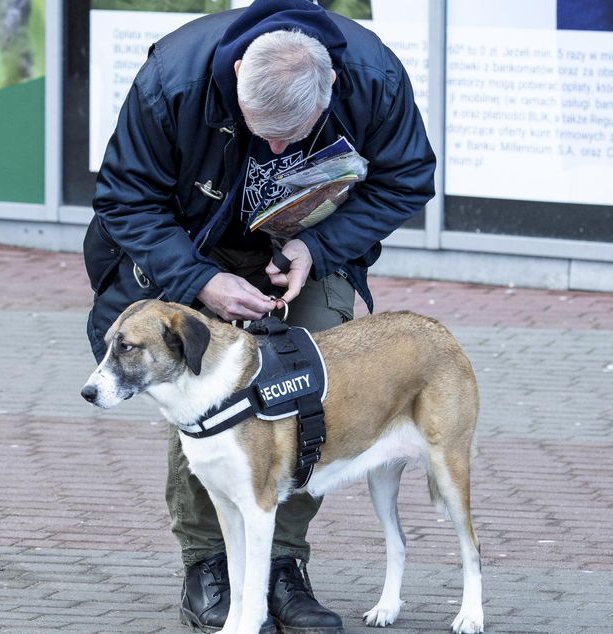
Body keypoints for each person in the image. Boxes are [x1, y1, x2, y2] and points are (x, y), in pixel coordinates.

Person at [84, 1, 435, 632]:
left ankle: (281, 565)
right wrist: (200, 281)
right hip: (187, 252)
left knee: (316, 371)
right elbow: (124, 196)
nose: (274, 147)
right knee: (195, 377)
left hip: (302, 249)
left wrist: (317, 249)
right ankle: (208, 564)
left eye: (291, 138)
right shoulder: (175, 78)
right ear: (239, 71)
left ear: (329, 91)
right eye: (261, 133)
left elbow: (408, 177)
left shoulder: (374, 78)